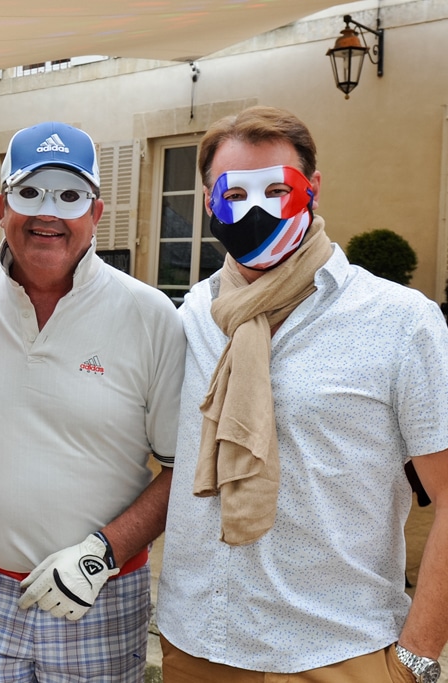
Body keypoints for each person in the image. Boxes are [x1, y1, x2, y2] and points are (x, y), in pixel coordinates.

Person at [156, 105, 448, 683]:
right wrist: (0, 267)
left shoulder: (400, 320)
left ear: (313, 188)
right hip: (197, 647)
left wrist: (416, 657)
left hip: (336, 653)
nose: (255, 209)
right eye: (232, 192)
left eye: (276, 188)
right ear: (210, 199)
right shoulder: (190, 315)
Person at [0, 121, 186, 682]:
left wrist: (102, 554)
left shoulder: (150, 317)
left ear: (95, 214)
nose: (48, 213)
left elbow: (185, 465)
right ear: (2, 207)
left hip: (100, 598)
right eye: (30, 194)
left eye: (69, 196)